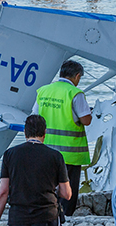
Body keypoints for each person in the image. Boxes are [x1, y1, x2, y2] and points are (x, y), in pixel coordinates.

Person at [34, 60, 92, 216]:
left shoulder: (43, 91)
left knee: (48, 187)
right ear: (77, 76)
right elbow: (86, 120)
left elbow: (35, 117)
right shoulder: (74, 93)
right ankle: (64, 218)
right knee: (67, 191)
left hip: (47, 150)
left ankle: (48, 214)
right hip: (70, 153)